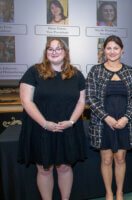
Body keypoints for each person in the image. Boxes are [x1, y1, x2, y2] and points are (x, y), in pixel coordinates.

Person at [18, 38, 86, 200]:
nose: (54, 52)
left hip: (67, 129)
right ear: (46, 52)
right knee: (44, 169)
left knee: (64, 168)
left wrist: (71, 122)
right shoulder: (34, 72)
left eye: (58, 48)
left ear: (66, 52)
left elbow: (81, 101)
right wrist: (45, 123)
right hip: (41, 129)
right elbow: (26, 101)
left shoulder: (76, 75)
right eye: (50, 49)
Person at [86, 35, 132, 200]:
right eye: (109, 48)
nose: (112, 51)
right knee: (107, 159)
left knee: (120, 158)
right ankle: (109, 192)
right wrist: (106, 117)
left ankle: (120, 192)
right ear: (104, 51)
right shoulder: (96, 71)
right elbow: (90, 98)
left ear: (122, 50)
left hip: (124, 122)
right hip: (102, 124)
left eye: (116, 48)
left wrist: (125, 118)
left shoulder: (130, 71)